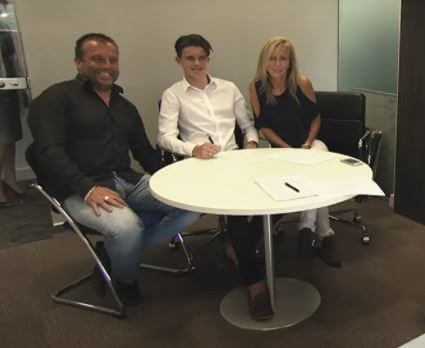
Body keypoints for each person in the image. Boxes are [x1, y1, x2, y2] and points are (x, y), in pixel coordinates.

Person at [27, 33, 200, 305]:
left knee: (193, 204)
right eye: (97, 59)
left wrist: (175, 180)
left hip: (127, 180)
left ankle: (111, 255)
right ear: (79, 63)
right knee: (126, 228)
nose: (107, 66)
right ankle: (125, 281)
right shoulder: (56, 98)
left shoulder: (124, 107)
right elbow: (48, 151)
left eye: (112, 60)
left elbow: (144, 152)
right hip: (79, 187)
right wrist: (87, 188)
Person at [158, 34, 273, 321]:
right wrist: (192, 149)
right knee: (236, 215)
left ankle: (240, 245)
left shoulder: (229, 88)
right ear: (179, 61)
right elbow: (164, 137)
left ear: (209, 58)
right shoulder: (174, 95)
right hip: (202, 166)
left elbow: (248, 126)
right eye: (190, 58)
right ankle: (256, 286)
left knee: (278, 199)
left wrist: (250, 146)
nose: (197, 63)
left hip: (238, 160)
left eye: (202, 57)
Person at [249, 36, 341, 268]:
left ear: (290, 62)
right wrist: (286, 148)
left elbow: (315, 117)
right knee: (314, 175)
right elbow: (264, 126)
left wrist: (307, 143)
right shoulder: (255, 88)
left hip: (309, 144)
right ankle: (324, 234)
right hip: (280, 149)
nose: (278, 64)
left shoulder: (302, 83)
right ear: (264, 61)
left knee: (316, 160)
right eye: (273, 58)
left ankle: (307, 228)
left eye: (283, 59)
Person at [0, 20, 27, 207]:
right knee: (2, 139)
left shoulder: (4, 24)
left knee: (11, 137)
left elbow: (12, 57)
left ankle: (9, 177)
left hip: (8, 86)